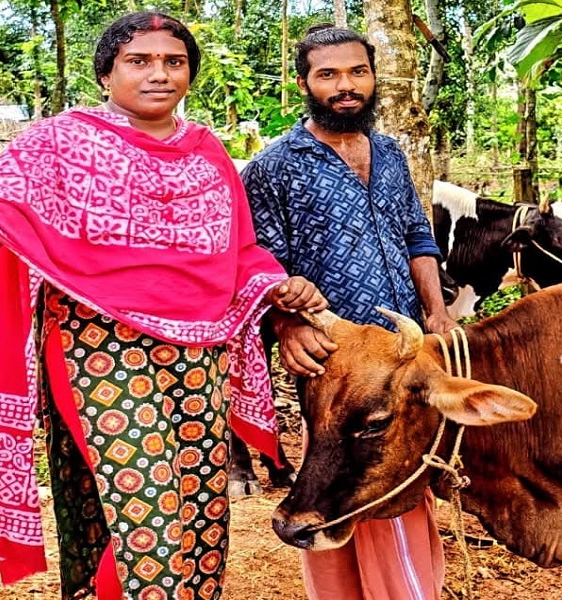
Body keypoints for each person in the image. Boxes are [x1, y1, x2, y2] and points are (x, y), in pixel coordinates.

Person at [0, 11, 326, 599]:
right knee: (150, 519)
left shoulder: (207, 151)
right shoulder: (58, 142)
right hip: (101, 345)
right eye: (139, 61)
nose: (160, 73)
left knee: (198, 515)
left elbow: (239, 250)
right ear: (106, 73)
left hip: (201, 355)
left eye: (175, 61)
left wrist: (281, 285)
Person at [241, 24, 455, 600]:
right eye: (328, 75)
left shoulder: (387, 151)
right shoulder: (273, 166)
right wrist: (286, 325)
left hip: (405, 352)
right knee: (335, 473)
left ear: (373, 76)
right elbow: (260, 262)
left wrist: (437, 313)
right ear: (305, 83)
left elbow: (417, 236)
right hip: (332, 357)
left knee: (397, 471)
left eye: (357, 72)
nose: (346, 87)